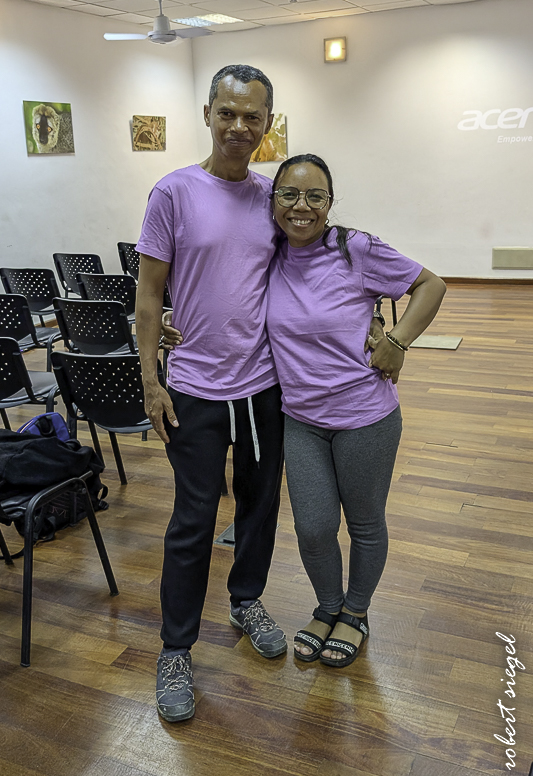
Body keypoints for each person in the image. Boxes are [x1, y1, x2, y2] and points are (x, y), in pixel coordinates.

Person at [135, 65, 289, 724]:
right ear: (207, 114)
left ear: (267, 123)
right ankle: (175, 649)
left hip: (261, 388)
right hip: (194, 388)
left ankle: (246, 599)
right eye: (227, 113)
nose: (239, 127)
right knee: (193, 521)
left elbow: (302, 278)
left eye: (252, 116)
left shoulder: (273, 197)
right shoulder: (172, 192)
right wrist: (150, 380)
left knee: (258, 506)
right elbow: (149, 294)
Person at [265, 154, 446, 667]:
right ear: (273, 200)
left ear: (330, 203)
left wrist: (397, 340)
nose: (301, 206)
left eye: (315, 196)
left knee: (364, 523)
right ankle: (328, 605)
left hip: (365, 416)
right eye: (289, 194)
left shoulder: (355, 248)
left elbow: (431, 285)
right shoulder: (267, 253)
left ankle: (355, 612)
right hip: (301, 419)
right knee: (313, 528)